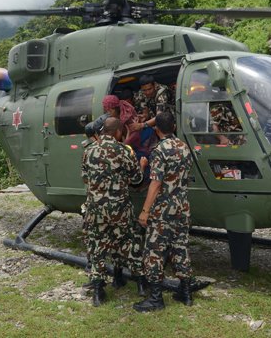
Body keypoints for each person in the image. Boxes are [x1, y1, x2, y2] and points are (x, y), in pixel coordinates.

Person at [81, 117, 148, 306]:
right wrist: (141, 167)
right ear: (118, 132)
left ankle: (97, 291)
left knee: (97, 247)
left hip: (96, 210)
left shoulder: (89, 151)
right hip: (120, 209)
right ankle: (141, 284)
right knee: (130, 243)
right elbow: (136, 180)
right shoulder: (124, 151)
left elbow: (85, 178)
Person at [134, 112, 194, 312]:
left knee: (154, 251)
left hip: (163, 210)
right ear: (174, 127)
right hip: (182, 207)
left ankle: (156, 298)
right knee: (180, 247)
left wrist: (145, 211)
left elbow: (156, 183)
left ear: (157, 129)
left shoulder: (159, 150)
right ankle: (185, 293)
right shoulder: (184, 147)